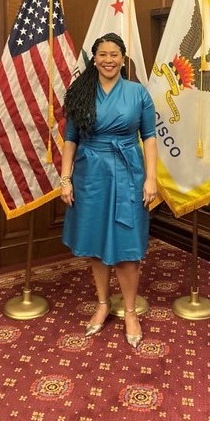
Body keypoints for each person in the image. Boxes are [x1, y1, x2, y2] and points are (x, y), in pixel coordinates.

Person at [60, 33, 157, 348]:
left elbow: (151, 136)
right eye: (102, 54)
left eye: (114, 54)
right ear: (94, 57)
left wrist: (151, 178)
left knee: (127, 245)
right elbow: (70, 138)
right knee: (96, 243)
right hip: (90, 175)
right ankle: (102, 303)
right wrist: (65, 178)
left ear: (123, 57)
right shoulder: (80, 91)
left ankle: (129, 310)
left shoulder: (137, 92)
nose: (108, 60)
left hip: (128, 172)